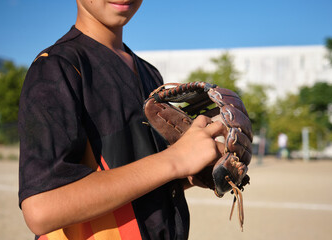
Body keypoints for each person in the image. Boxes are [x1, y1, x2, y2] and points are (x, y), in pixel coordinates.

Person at [18, 1, 226, 239]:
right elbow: (42, 209)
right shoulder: (56, 67)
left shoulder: (149, 73)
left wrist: (193, 169)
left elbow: (140, 175)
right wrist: (176, 159)